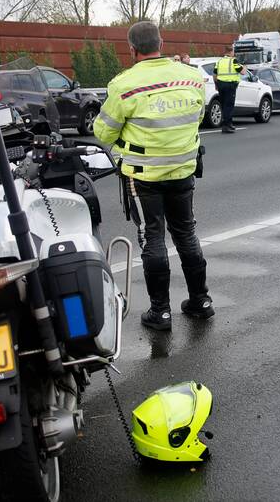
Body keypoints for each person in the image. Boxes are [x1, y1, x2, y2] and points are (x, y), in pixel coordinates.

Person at [93, 21, 213, 331]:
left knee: (152, 237)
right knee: (186, 232)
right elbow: (198, 117)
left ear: (132, 49)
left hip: (143, 175)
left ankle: (160, 312)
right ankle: (201, 301)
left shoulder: (124, 85)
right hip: (183, 169)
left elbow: (103, 132)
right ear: (161, 43)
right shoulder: (192, 77)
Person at [214, 45, 243, 133]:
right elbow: (242, 72)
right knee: (229, 106)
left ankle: (229, 124)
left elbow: (214, 74)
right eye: (233, 51)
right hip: (230, 85)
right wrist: (244, 66)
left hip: (220, 85)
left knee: (224, 105)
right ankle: (226, 126)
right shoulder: (233, 60)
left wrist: (216, 84)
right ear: (231, 52)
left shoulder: (219, 61)